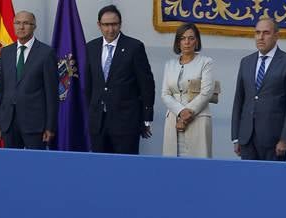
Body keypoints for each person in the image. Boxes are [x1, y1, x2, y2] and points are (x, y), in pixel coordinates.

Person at [85, 5, 155, 154]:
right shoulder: (91, 47)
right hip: (98, 123)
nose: (110, 29)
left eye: (114, 24)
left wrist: (147, 117)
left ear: (120, 24)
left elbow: (146, 85)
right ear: (99, 25)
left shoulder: (134, 47)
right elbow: (89, 84)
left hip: (126, 123)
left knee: (125, 169)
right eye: (106, 25)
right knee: (100, 167)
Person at [231, 18, 286, 161]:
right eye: (257, 33)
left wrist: (285, 138)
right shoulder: (246, 62)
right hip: (247, 138)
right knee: (248, 180)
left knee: (272, 182)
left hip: (274, 140)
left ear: (276, 36)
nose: (260, 37)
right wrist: (236, 137)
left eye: (266, 33)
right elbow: (239, 100)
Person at [0, 10, 59, 149]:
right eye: (17, 23)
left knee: (35, 166)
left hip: (35, 124)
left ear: (34, 26)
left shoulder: (46, 53)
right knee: (11, 164)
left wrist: (50, 127)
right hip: (8, 123)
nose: (21, 27)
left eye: (26, 23)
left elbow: (52, 94)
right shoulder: (6, 52)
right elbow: (1, 89)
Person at [161, 23, 215, 158]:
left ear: (196, 41)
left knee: (198, 167)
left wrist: (186, 115)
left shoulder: (206, 62)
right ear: (178, 42)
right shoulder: (170, 65)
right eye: (183, 38)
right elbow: (165, 94)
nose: (187, 42)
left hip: (198, 119)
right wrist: (180, 111)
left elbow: (206, 92)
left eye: (191, 38)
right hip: (173, 119)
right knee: (172, 165)